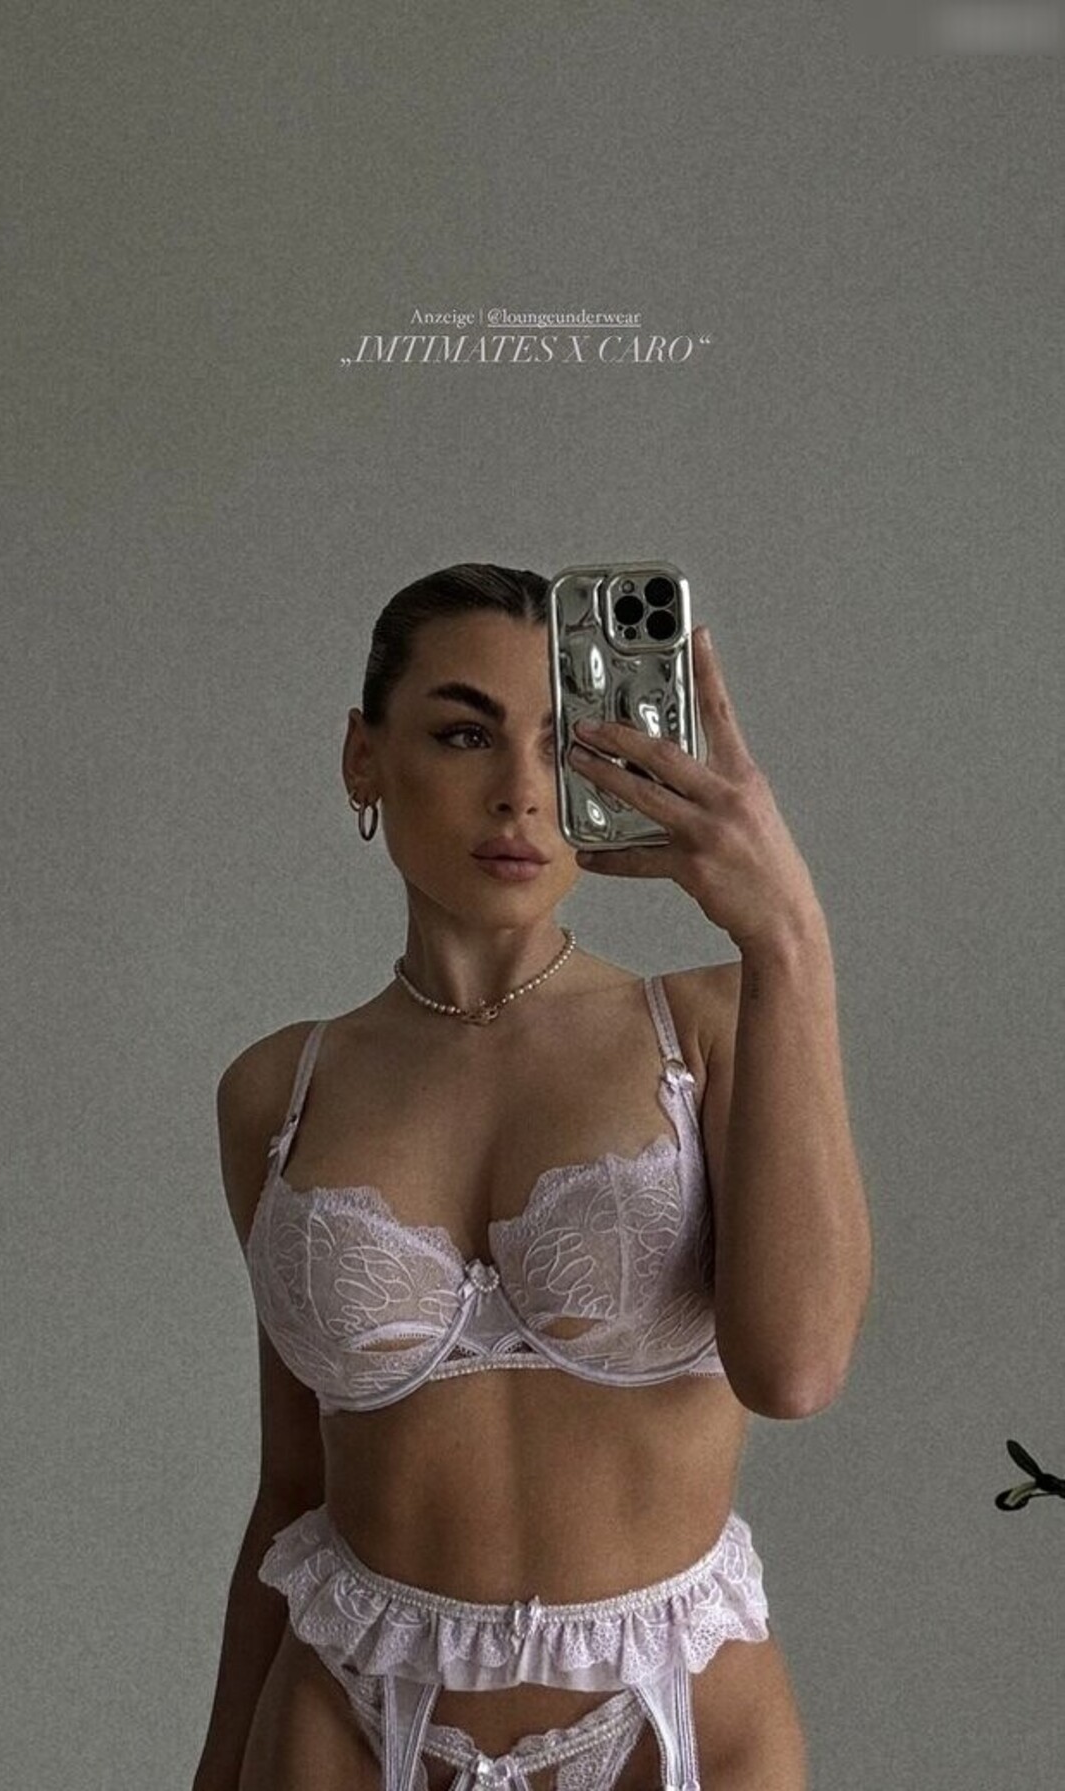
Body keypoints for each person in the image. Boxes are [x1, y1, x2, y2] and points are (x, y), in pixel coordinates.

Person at [192, 563, 872, 1791]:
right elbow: (293, 1483)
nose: (519, 791)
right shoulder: (278, 1091)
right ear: (363, 759)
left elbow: (798, 1370)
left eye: (566, 745)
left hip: (673, 1720)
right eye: (464, 734)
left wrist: (789, 935)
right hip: (345, 1713)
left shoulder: (713, 1027)